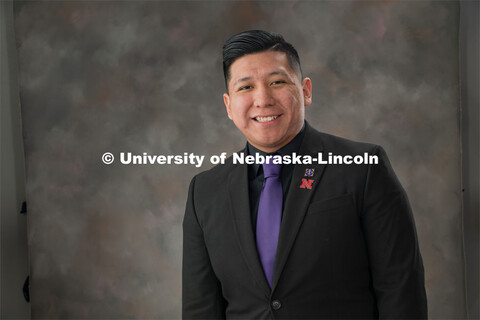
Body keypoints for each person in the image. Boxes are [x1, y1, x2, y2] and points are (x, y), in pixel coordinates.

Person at [182, 30, 427, 319]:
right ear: (228, 105)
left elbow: (400, 290)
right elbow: (201, 309)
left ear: (306, 90)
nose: (262, 99)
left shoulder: (363, 167)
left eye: (277, 82)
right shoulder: (205, 191)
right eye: (245, 87)